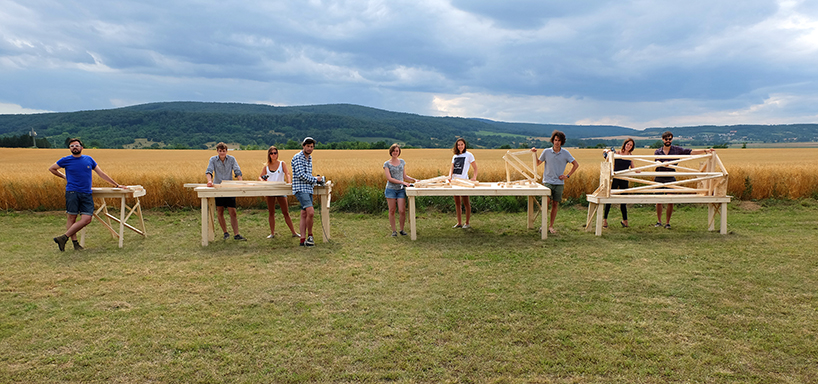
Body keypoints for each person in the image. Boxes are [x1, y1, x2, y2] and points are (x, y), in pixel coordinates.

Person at [49, 138, 125, 251]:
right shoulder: (65, 160)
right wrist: (65, 177)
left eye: (76, 145)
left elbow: (101, 173)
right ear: (69, 149)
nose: (74, 147)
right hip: (72, 192)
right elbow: (52, 169)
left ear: (81, 147)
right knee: (72, 218)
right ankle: (75, 244)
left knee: (87, 219)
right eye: (72, 146)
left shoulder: (89, 159)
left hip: (86, 193)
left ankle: (64, 237)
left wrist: (116, 185)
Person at [654, 131, 715, 229]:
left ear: (672, 139)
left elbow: (690, 152)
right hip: (659, 176)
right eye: (666, 139)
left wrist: (705, 150)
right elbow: (656, 161)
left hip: (670, 176)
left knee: (671, 199)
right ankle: (659, 221)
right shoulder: (658, 151)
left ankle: (667, 223)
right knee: (658, 200)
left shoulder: (677, 150)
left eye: (670, 139)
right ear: (662, 140)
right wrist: (662, 163)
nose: (668, 141)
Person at [532, 130, 579, 234]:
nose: (557, 142)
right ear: (552, 140)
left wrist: (567, 175)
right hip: (547, 181)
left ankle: (550, 226)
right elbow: (537, 163)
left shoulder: (565, 153)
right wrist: (535, 154)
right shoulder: (546, 152)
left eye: (559, 140)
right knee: (546, 202)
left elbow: (576, 164)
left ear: (562, 142)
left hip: (559, 183)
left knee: (555, 204)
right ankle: (543, 225)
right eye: (555, 140)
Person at [206, 142, 246, 241]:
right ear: (217, 151)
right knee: (220, 211)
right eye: (220, 151)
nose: (222, 153)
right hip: (218, 188)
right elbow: (209, 171)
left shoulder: (232, 159)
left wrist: (240, 181)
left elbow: (237, 171)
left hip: (229, 188)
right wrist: (209, 181)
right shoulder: (213, 160)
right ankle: (225, 233)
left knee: (233, 212)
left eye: (224, 151)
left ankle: (236, 234)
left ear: (226, 151)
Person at [258, 145, 299, 239]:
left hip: (281, 189)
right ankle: (272, 233)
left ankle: (294, 232)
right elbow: (260, 176)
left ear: (277, 154)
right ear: (269, 155)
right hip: (270, 190)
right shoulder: (266, 167)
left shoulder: (282, 164)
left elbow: (287, 173)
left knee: (286, 212)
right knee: (271, 212)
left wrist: (289, 183)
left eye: (275, 153)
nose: (273, 155)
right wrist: (263, 181)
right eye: (271, 153)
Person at [291, 137, 324, 247]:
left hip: (308, 189)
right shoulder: (298, 157)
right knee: (311, 212)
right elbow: (301, 175)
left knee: (304, 214)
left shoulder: (309, 159)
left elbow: (307, 175)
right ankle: (310, 236)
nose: (310, 149)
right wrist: (316, 179)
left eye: (312, 147)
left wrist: (315, 180)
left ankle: (302, 239)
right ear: (303, 146)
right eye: (308, 146)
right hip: (301, 189)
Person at [602, 138, 638, 229]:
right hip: (615, 177)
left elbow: (633, 167)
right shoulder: (617, 153)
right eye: (627, 144)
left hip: (624, 178)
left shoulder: (630, 156)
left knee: (623, 200)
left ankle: (625, 221)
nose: (628, 146)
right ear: (624, 144)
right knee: (609, 198)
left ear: (632, 147)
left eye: (630, 145)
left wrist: (637, 170)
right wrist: (608, 151)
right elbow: (605, 153)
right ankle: (604, 220)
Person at [383, 143, 417, 237]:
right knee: (392, 210)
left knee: (402, 210)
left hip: (401, 190)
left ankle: (402, 229)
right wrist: (403, 182)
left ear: (399, 152)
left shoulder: (402, 162)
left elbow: (404, 176)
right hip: (391, 189)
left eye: (397, 151)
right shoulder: (386, 164)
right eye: (393, 150)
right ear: (391, 152)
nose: (395, 152)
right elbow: (389, 178)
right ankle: (394, 231)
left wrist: (414, 180)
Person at [448, 138, 478, 229]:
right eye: (458, 145)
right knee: (457, 203)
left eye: (462, 144)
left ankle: (467, 223)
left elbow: (475, 168)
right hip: (454, 182)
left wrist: (474, 178)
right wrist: (449, 176)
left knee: (466, 202)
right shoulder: (455, 156)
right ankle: (459, 223)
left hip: (464, 182)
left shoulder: (469, 155)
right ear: (456, 146)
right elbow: (452, 168)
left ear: (465, 145)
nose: (460, 146)